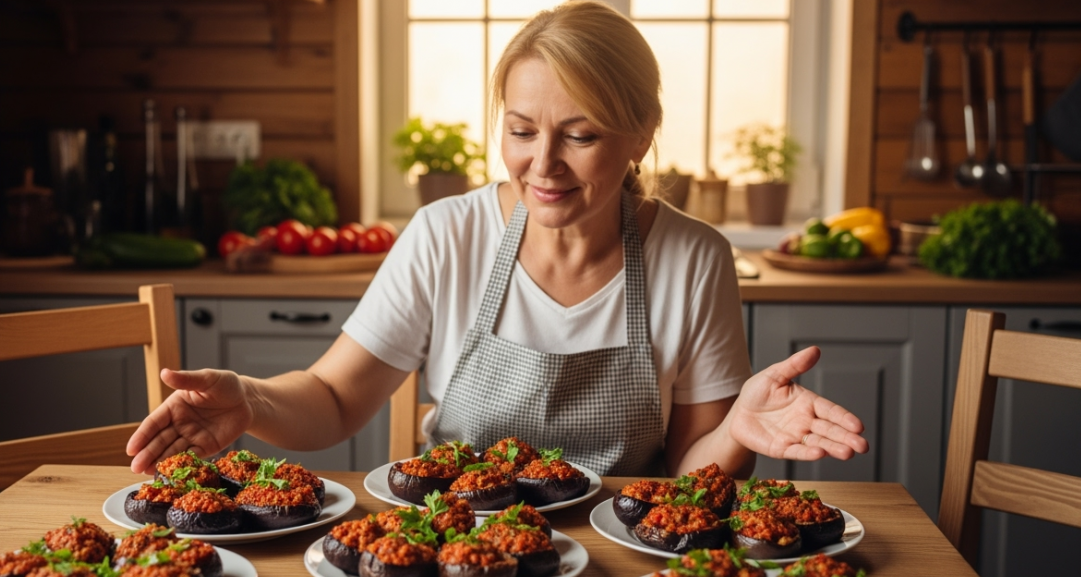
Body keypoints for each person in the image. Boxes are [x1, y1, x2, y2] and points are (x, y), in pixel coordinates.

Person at [127, 0, 867, 478]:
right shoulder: (446, 235)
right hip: (452, 560)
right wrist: (251, 400)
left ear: (640, 136)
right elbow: (331, 396)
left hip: (622, 561)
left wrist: (737, 430)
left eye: (579, 136)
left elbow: (689, 472)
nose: (540, 166)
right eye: (520, 131)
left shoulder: (693, 258)